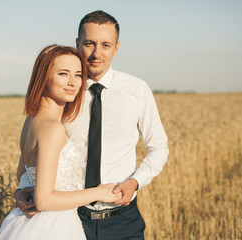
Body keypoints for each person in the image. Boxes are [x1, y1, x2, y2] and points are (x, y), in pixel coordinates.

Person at [16, 10, 169, 240]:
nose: (97, 53)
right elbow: (34, 155)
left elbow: (159, 147)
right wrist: (21, 191)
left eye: (105, 45)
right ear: (77, 43)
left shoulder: (137, 90)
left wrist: (135, 182)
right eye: (89, 43)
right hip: (73, 219)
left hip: (123, 221)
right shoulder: (65, 95)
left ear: (116, 48)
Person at [0, 44, 122, 240]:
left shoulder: (31, 121)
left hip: (26, 223)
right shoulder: (52, 129)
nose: (73, 82)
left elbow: (23, 173)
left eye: (79, 75)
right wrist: (98, 193)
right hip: (54, 226)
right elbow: (44, 200)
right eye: (63, 74)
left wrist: (20, 194)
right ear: (43, 77)